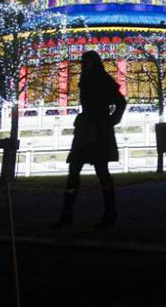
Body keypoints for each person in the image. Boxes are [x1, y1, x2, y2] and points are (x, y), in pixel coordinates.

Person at [53, 51, 126, 230]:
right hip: (86, 130)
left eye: (88, 62)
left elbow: (120, 101)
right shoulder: (85, 81)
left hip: (98, 131)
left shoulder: (102, 80)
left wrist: (110, 121)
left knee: (101, 171)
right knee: (74, 170)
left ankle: (109, 213)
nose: (85, 65)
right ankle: (67, 214)